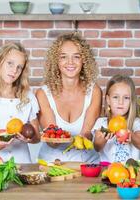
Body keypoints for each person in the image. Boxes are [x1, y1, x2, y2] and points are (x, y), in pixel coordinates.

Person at [36, 32, 102, 163]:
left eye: (76, 57)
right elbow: (52, 142)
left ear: (84, 60)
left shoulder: (94, 91)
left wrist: (82, 138)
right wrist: (72, 139)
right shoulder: (43, 94)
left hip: (87, 165)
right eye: (63, 57)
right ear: (56, 61)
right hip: (52, 165)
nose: (70, 62)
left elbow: (86, 136)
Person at [93, 75, 140, 163]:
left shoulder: (135, 122)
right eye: (115, 97)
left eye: (126, 98)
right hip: (107, 171)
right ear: (108, 100)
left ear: (131, 101)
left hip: (129, 171)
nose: (120, 102)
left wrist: (130, 135)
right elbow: (97, 147)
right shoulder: (101, 123)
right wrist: (104, 138)